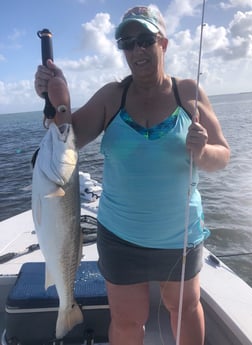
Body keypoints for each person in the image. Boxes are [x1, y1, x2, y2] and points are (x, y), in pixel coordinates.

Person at [35, 5, 230, 345]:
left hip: (179, 236)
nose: (137, 50)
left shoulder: (189, 94)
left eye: (145, 39)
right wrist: (57, 103)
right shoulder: (113, 97)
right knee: (126, 322)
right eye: (127, 42)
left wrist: (202, 152)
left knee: (185, 309)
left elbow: (222, 157)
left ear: (163, 43)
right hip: (121, 237)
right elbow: (67, 141)